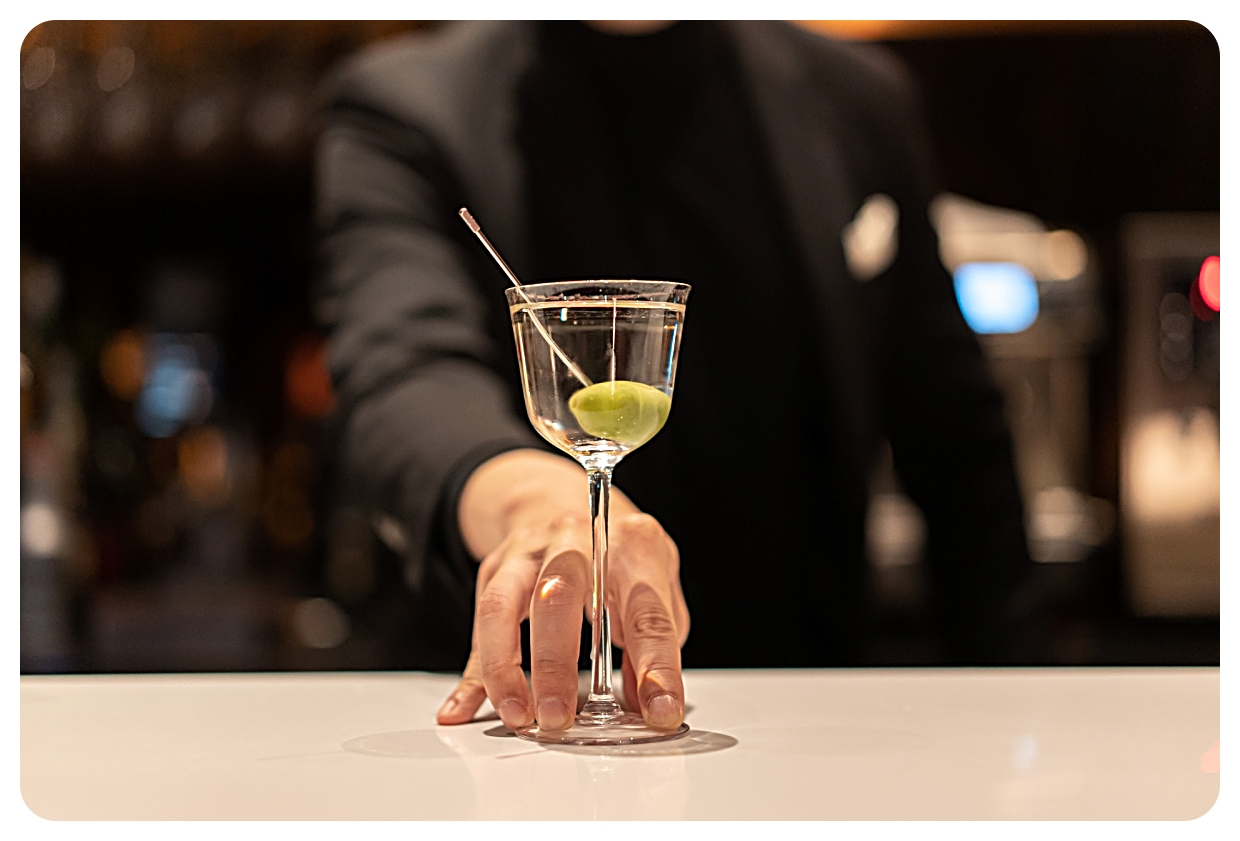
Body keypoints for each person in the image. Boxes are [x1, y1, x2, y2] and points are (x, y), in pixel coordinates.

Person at [314, 21, 1033, 736]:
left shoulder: (857, 96)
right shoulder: (407, 106)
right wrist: (537, 505)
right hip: (530, 720)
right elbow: (404, 370)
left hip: (809, 710)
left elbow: (957, 439)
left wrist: (1017, 711)